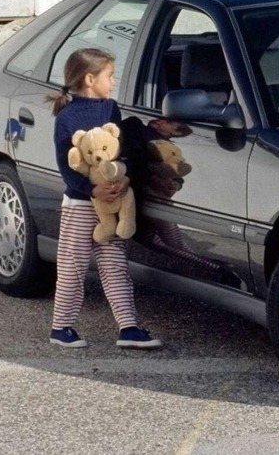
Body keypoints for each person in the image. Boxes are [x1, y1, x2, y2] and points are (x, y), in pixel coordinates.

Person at [45, 48, 162, 350]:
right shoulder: (67, 118)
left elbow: (120, 151)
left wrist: (125, 178)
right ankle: (61, 327)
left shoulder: (111, 109)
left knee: (115, 265)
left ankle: (129, 327)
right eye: (109, 75)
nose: (114, 80)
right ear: (89, 78)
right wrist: (91, 189)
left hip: (113, 201)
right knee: (73, 265)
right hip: (81, 204)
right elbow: (65, 165)